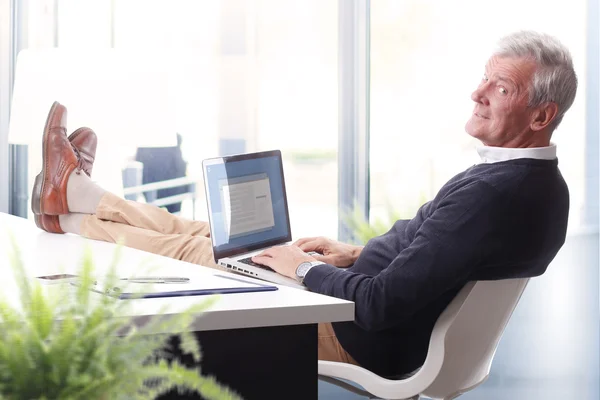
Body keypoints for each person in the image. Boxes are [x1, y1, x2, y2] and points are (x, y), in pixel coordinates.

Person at [31, 30, 577, 378]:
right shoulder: (540, 187)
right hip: (370, 312)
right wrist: (350, 252)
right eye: (483, 77)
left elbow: (381, 304)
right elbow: (444, 258)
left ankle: (72, 209)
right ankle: (76, 201)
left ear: (539, 116)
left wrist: (306, 269)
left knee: (196, 251)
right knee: (209, 233)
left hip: (356, 334)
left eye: (500, 87)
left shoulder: (493, 195)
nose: (477, 93)